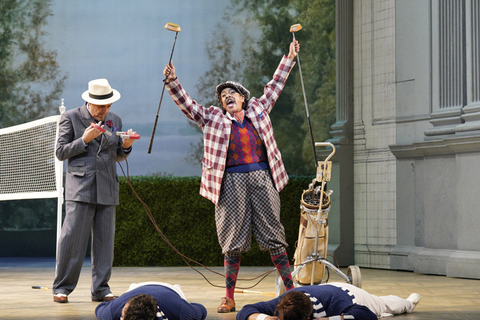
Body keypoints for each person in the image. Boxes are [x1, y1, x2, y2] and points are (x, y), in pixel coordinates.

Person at [163, 39, 300, 313]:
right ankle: (228, 296)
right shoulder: (213, 117)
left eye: (232, 93)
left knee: (274, 234)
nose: (227, 96)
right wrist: (173, 81)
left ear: (243, 98)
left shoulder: (259, 110)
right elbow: (189, 106)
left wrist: (289, 57)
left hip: (262, 178)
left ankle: (292, 290)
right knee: (231, 240)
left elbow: (275, 86)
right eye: (223, 95)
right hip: (231, 183)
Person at [52, 78, 137, 303]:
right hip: (80, 188)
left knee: (105, 243)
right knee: (72, 240)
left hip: (107, 187)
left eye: (108, 106)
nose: (105, 110)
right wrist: (84, 140)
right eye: (101, 106)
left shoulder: (114, 120)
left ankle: (101, 289)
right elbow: (60, 152)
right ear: (89, 102)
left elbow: (116, 154)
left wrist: (126, 147)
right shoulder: (70, 117)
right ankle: (62, 288)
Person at [236, 282, 421, 320]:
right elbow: (244, 311)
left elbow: (367, 316)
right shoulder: (282, 303)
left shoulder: (334, 304)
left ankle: (409, 302)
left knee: (387, 305)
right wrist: (264, 318)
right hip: (323, 287)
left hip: (350, 294)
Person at [95, 282, 207, 320]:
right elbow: (201, 310)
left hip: (171, 290)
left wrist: (182, 304)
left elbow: (201, 311)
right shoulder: (115, 309)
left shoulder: (179, 311)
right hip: (135, 288)